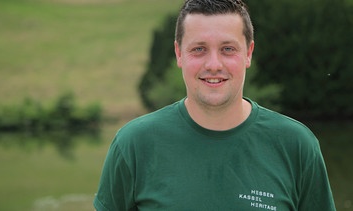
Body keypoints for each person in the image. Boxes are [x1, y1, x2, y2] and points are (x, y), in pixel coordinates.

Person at [93, 0, 336, 210]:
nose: (213, 64)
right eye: (199, 49)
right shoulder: (134, 144)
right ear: (179, 53)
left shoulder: (297, 145)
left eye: (227, 49)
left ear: (249, 53)